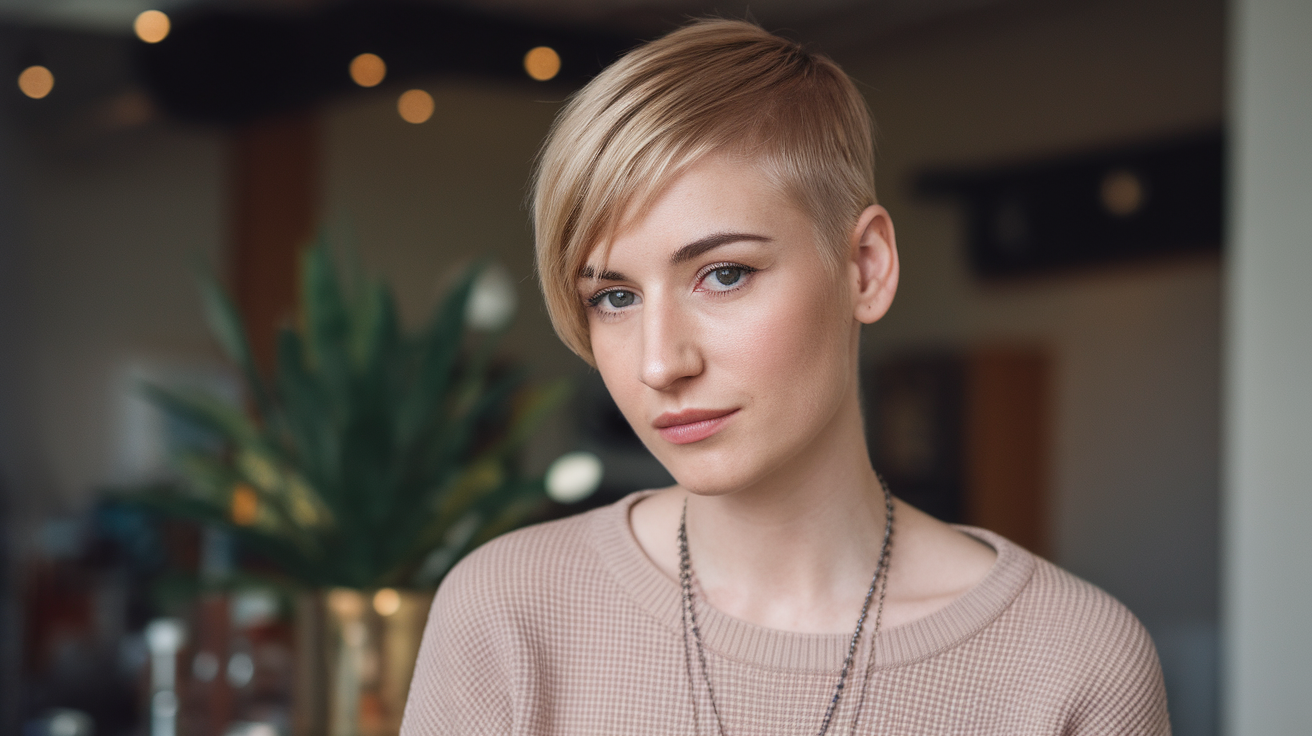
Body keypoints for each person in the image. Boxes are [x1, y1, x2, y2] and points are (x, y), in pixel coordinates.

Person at [401, 18, 1169, 736]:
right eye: (615, 297)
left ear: (865, 268)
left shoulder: (1073, 660)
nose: (661, 362)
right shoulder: (506, 611)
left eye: (724, 274)